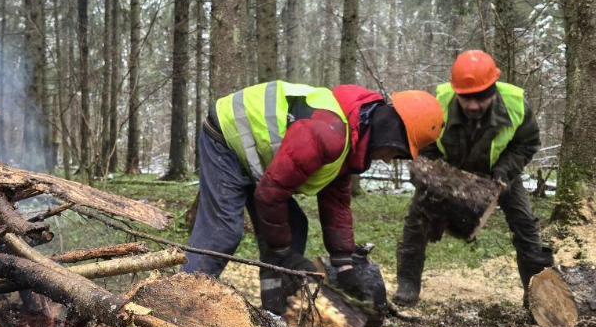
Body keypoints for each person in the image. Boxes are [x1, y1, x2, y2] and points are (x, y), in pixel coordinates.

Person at [183, 80, 444, 314]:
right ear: (391, 133)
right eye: (395, 153)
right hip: (226, 136)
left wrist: (344, 264)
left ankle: (275, 312)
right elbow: (270, 194)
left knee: (294, 226)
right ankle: (176, 304)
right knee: (222, 233)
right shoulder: (327, 133)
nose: (388, 160)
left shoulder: (351, 135)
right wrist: (283, 251)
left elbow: (337, 202)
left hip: (256, 155)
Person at [394, 50, 554, 306]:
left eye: (480, 98)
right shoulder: (438, 103)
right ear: (456, 90)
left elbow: (526, 145)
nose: (472, 105)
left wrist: (504, 172)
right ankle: (407, 284)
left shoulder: (516, 105)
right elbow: (423, 142)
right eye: (466, 98)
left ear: (493, 88)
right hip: (448, 173)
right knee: (416, 220)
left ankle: (539, 296)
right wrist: (435, 176)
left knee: (525, 226)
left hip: (498, 172)